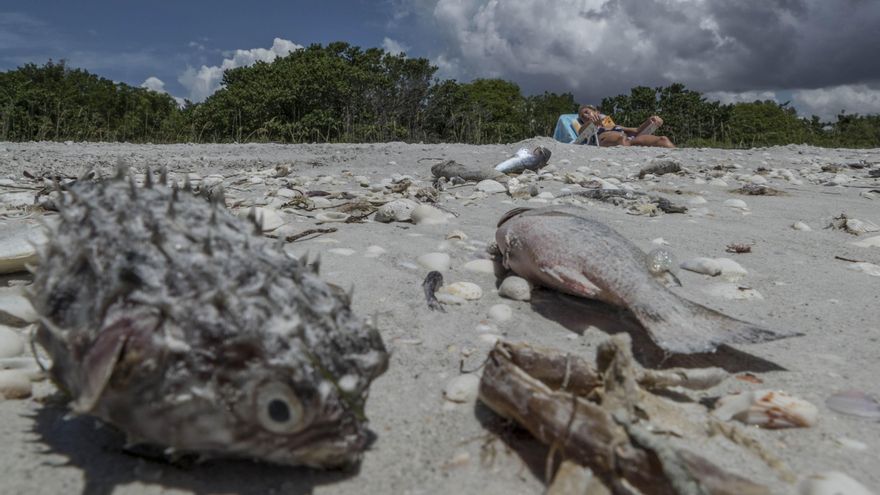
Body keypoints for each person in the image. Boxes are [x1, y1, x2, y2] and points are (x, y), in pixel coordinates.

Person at [575, 105, 675, 148]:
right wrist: (590, 123)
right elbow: (580, 134)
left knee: (663, 140)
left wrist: (650, 121)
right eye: (582, 117)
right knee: (621, 138)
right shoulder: (585, 130)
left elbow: (636, 131)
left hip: (630, 140)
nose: (584, 116)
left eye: (587, 112)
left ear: (597, 112)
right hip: (613, 140)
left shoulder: (612, 125)